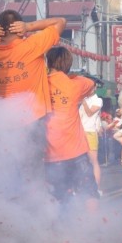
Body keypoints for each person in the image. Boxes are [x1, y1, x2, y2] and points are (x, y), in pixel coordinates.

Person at [0, 10, 66, 188]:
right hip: (32, 123)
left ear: (1, 29)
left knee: (6, 174)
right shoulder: (32, 45)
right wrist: (29, 27)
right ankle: (33, 210)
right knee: (32, 176)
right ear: (19, 28)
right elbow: (61, 20)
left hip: (2, 125)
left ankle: (8, 211)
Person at [44, 47, 99, 210]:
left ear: (48, 62)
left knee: (59, 197)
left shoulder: (40, 84)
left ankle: (60, 231)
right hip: (76, 152)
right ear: (68, 64)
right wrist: (72, 76)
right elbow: (91, 84)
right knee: (89, 192)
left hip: (49, 154)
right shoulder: (75, 84)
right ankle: (95, 228)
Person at [79, 89, 103, 193]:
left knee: (93, 161)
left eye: (90, 87)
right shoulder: (84, 100)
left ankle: (96, 188)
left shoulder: (98, 100)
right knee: (80, 161)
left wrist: (83, 102)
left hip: (90, 132)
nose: (87, 89)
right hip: (80, 133)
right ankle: (82, 187)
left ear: (94, 88)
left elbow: (89, 113)